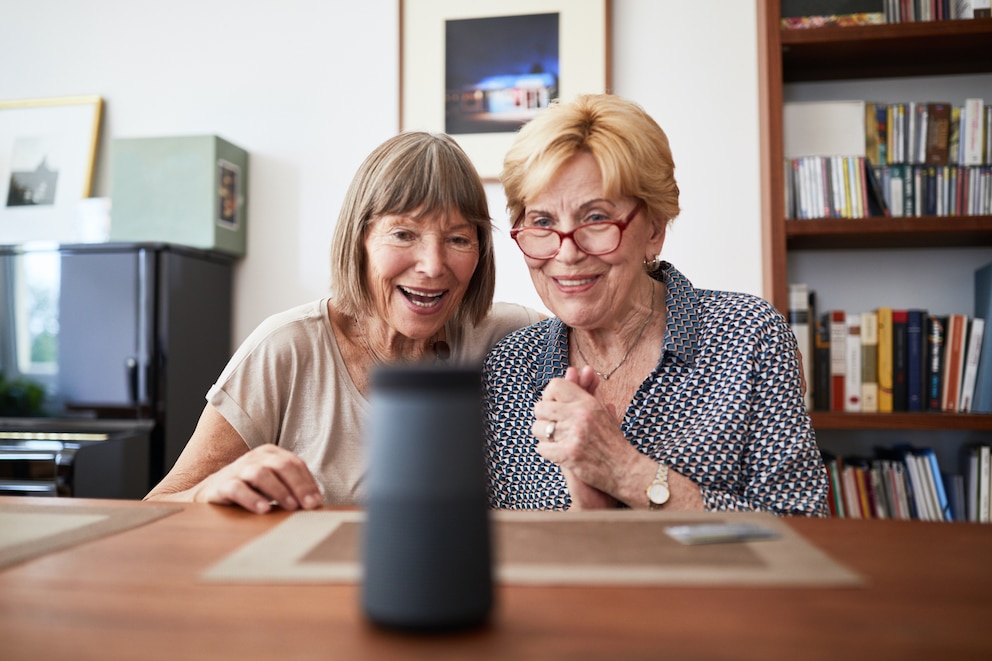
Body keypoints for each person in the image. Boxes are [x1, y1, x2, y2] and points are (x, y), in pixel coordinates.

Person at [145, 132, 541, 513]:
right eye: (403, 234)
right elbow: (155, 511)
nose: (433, 265)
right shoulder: (285, 348)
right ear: (360, 240)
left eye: (457, 239)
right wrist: (207, 493)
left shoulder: (509, 336)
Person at [483, 94, 828, 515]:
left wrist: (626, 471)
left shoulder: (747, 336)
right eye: (542, 222)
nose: (567, 253)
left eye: (595, 218)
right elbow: (505, 553)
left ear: (654, 230)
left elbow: (801, 531)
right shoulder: (509, 368)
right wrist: (590, 514)